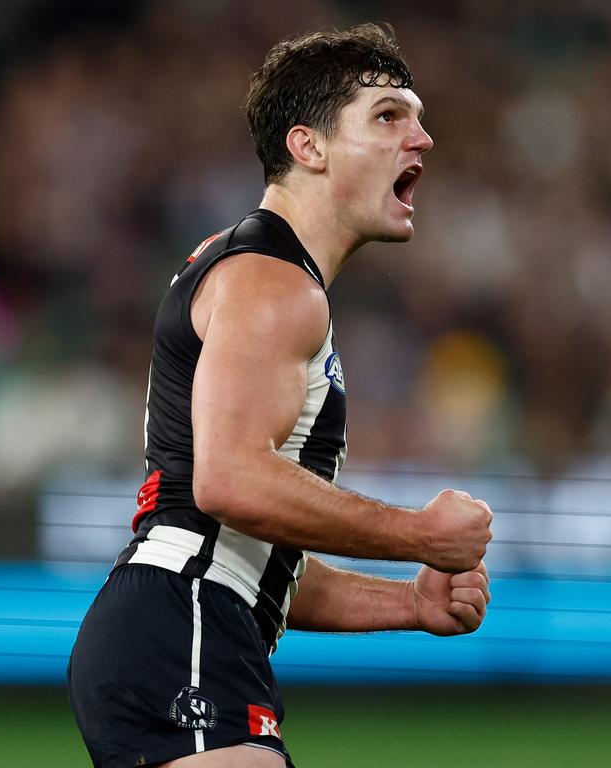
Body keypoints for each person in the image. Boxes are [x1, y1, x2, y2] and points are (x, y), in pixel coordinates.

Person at [68, 22, 493, 768]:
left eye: (418, 117)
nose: (422, 139)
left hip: (178, 625)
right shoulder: (274, 284)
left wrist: (409, 603)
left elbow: (249, 559)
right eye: (389, 116)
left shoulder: (256, 269)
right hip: (185, 629)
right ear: (309, 147)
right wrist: (420, 536)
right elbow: (231, 483)